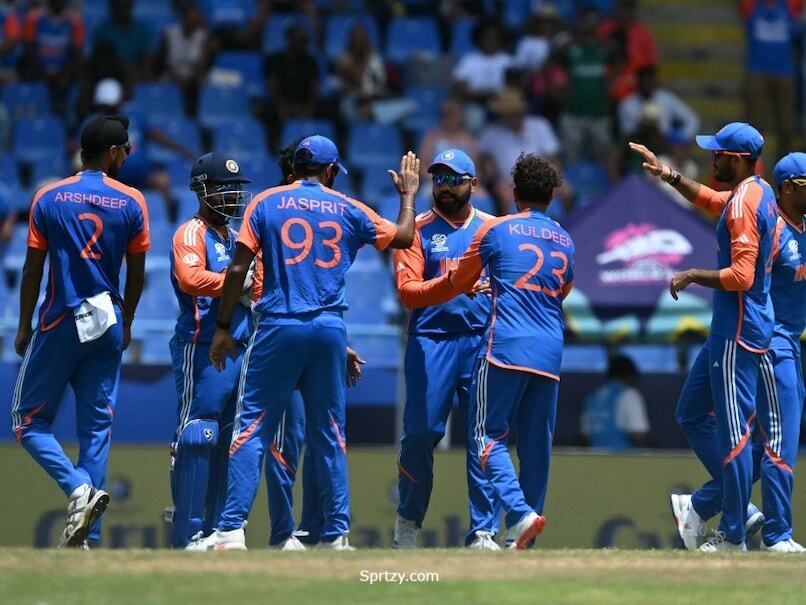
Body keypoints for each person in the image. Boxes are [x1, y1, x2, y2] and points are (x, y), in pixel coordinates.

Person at [204, 137, 419, 551]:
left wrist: (224, 325)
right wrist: (408, 195)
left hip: (278, 326)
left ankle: (231, 531)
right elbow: (406, 237)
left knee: (250, 429)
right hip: (328, 330)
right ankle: (335, 535)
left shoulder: (265, 203)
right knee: (331, 434)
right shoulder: (349, 207)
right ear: (332, 171)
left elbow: (236, 268)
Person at [411, 153, 575, 550]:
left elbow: (461, 280)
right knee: (536, 448)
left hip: (503, 346)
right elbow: (564, 290)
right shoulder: (564, 238)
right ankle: (524, 540)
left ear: (514, 192)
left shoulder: (497, 230)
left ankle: (519, 514)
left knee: (485, 436)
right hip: (550, 350)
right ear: (551, 196)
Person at [630, 122, 778, 552]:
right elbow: (717, 202)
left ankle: (730, 529)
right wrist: (670, 176)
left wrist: (693, 274)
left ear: (734, 159)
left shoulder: (745, 204)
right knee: (691, 413)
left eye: (716, 153)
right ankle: (734, 507)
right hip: (731, 330)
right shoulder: (758, 192)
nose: (711, 158)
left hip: (737, 331)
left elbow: (742, 276)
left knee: (735, 438)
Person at [10, 115, 149, 548]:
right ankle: (90, 538)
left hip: (59, 320)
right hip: (107, 322)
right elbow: (137, 273)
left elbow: (34, 269)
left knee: (27, 420)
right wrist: (126, 323)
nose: (127, 155)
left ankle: (76, 491)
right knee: (96, 432)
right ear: (111, 154)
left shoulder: (49, 196)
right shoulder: (132, 202)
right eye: (125, 149)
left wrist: (23, 325)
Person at [669, 153, 806, 553]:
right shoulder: (770, 224)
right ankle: (774, 534)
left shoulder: (763, 199)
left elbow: (716, 199)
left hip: (767, 339)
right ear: (787, 187)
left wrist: (672, 176)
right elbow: (720, 205)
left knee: (759, 439)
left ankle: (703, 504)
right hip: (765, 342)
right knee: (771, 440)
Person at [391, 149, 500, 550]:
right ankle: (408, 521)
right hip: (430, 342)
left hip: (480, 342)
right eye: (438, 179)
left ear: (473, 184)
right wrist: (454, 284)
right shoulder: (415, 229)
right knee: (419, 434)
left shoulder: (492, 229)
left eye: (454, 180)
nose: (445, 187)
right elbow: (408, 293)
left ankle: (484, 530)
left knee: (482, 437)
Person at [264, 140, 366, 551]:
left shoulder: (272, 209)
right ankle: (283, 533)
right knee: (290, 439)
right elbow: (263, 292)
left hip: (299, 336)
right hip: (274, 340)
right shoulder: (270, 214)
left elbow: (305, 290)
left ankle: (317, 530)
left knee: (314, 435)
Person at [167, 152, 254, 549]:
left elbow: (260, 286)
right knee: (198, 433)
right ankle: (188, 531)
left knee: (228, 438)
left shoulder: (236, 239)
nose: (233, 195)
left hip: (240, 347)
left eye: (236, 188)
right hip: (201, 346)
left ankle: (217, 531)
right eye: (224, 188)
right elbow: (189, 277)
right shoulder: (191, 233)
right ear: (201, 191)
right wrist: (237, 284)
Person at [740, 0, 802, 164]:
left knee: (786, 125)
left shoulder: (790, 5)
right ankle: (753, 165)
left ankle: (784, 167)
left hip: (784, 71)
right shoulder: (752, 5)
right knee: (754, 124)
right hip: (757, 70)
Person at [580, 354, 650, 449]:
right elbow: (638, 434)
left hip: (593, 458)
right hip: (621, 459)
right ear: (629, 375)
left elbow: (585, 436)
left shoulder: (592, 397)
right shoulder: (629, 394)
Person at [158, 2, 212, 116]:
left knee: (200, 85)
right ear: (184, 17)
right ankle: (170, 114)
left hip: (193, 78)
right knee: (169, 85)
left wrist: (190, 79)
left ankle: (194, 117)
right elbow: (165, 62)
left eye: (197, 16)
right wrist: (176, 78)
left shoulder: (203, 36)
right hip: (172, 75)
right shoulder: (170, 33)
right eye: (192, 15)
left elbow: (202, 65)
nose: (195, 19)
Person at [618, 66, 700, 139]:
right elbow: (625, 132)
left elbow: (692, 118)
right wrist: (642, 129)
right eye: (644, 81)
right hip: (636, 147)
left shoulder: (666, 99)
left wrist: (681, 139)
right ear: (638, 82)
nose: (646, 84)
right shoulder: (627, 104)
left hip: (663, 145)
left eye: (649, 80)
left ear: (655, 81)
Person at [91, 0, 154, 83]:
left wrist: (132, 79)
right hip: (109, 78)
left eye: (126, 3)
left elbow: (147, 64)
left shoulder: (143, 31)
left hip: (136, 78)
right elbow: (98, 63)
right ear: (112, 5)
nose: (123, 6)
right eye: (119, 3)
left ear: (132, 4)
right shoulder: (102, 32)